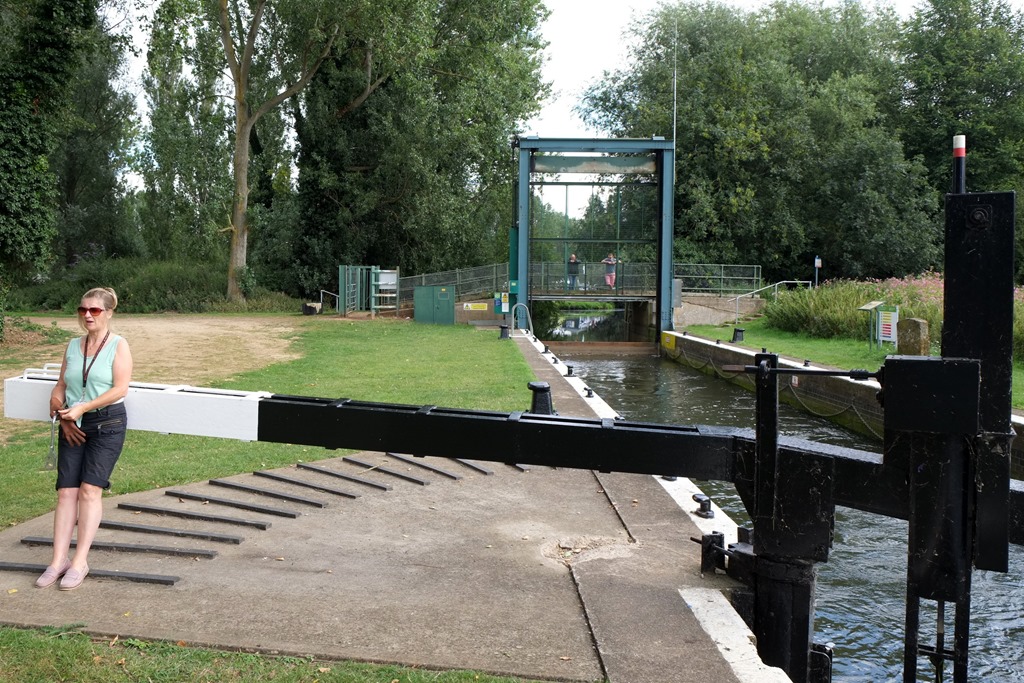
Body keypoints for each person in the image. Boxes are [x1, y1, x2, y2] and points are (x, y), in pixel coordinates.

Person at [37, 287, 132, 591]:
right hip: (72, 423)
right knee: (66, 492)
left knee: (90, 490)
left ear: (109, 313)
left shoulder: (118, 345)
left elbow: (120, 389)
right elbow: (62, 384)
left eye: (95, 310)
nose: (87, 315)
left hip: (107, 423)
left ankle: (80, 562)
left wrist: (83, 408)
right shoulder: (73, 346)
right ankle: (58, 561)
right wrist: (58, 404)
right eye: (83, 310)